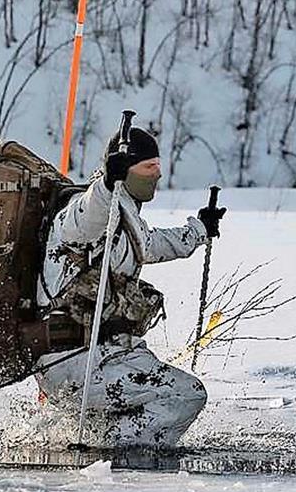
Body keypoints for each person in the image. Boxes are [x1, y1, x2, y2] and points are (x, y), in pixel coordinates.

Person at [33, 126, 226, 447]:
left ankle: (108, 439)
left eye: (158, 165)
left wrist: (199, 230)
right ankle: (117, 452)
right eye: (149, 167)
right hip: (76, 360)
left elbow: (150, 244)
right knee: (186, 395)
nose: (158, 174)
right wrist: (108, 184)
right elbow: (87, 215)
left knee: (168, 391)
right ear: (125, 168)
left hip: (105, 355)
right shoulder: (87, 211)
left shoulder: (127, 215)